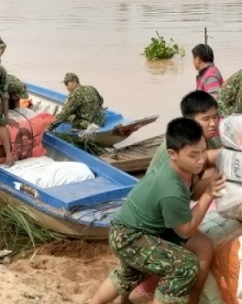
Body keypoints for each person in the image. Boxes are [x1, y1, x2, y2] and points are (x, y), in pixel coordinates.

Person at [90, 118, 227, 304]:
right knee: (183, 266)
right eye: (194, 155)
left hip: (134, 229)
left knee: (132, 272)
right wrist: (208, 195)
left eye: (203, 151)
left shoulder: (179, 166)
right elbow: (185, 230)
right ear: (173, 154)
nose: (201, 159)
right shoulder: (170, 188)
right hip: (129, 237)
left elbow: (194, 188)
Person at [147, 91, 221, 178]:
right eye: (206, 119)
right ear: (190, 121)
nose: (213, 123)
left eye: (215, 117)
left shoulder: (213, 142)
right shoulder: (176, 145)